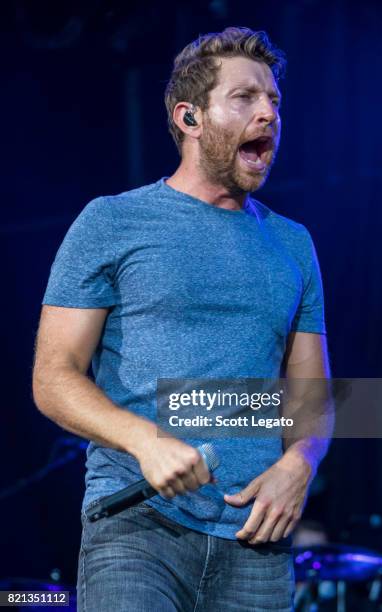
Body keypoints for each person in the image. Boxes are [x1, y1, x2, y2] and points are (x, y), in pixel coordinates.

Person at [32, 26, 332, 612]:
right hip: (138, 526)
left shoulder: (294, 244)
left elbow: (311, 396)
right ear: (189, 118)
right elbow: (53, 378)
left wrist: (301, 462)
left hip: (257, 543)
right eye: (245, 98)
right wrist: (146, 441)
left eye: (274, 100)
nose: (268, 114)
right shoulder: (112, 221)